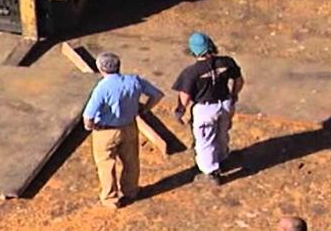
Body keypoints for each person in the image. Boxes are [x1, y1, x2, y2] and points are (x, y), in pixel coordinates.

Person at [82, 52, 164, 208]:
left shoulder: (102, 88)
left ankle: (111, 199)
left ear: (100, 68)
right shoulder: (134, 81)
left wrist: (91, 127)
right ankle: (131, 191)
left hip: (105, 131)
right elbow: (157, 95)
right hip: (130, 127)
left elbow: (88, 117)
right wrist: (145, 109)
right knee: (131, 161)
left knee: (106, 165)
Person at [172, 32, 244, 186]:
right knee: (222, 132)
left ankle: (212, 172)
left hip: (204, 110)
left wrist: (180, 111)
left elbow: (184, 96)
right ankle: (222, 157)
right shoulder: (227, 62)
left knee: (204, 141)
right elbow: (239, 81)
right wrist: (233, 96)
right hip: (225, 104)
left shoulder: (191, 73)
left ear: (193, 51)